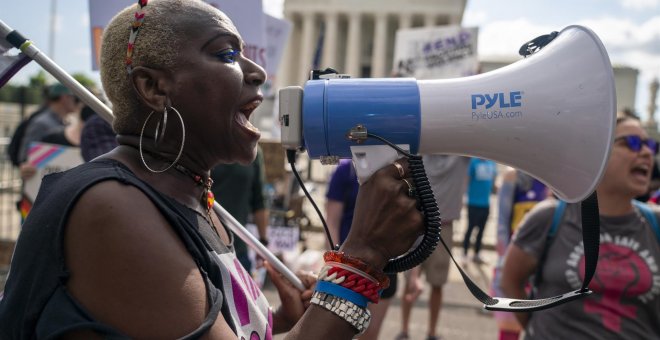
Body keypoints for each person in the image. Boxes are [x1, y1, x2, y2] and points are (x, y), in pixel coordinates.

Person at [0, 1, 425, 338]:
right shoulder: (111, 208)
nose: (257, 73)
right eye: (226, 54)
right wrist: (362, 256)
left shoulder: (189, 196)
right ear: (153, 87)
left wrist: (275, 320)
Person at [501, 115, 660, 339]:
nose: (646, 152)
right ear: (597, 153)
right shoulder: (549, 216)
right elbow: (509, 282)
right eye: (632, 143)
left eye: (650, 145)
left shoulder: (656, 224)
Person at [398, 154, 470, 340]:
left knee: (437, 284)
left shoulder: (460, 155)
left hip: (443, 226)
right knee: (410, 282)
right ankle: (404, 330)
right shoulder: (423, 152)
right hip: (418, 221)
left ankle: (431, 332)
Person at [325, 159, 398, 340]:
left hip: (386, 268)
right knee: (339, 332)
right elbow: (332, 222)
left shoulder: (397, 169)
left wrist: (414, 274)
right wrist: (334, 264)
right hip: (348, 267)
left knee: (370, 335)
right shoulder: (345, 170)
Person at [491, 168, 548, 340]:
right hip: (516, 261)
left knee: (543, 327)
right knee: (510, 325)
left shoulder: (554, 180)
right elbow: (502, 223)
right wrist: (504, 261)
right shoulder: (511, 178)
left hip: (545, 263)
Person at [210, 146, 269, 273]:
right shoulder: (205, 144)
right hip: (207, 247)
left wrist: (263, 242)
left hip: (238, 251)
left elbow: (259, 201)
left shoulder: (253, 151)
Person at [462, 157, 497, 265]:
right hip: (473, 202)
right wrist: (463, 197)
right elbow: (467, 179)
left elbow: (493, 181)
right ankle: (464, 254)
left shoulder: (492, 163)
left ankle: (477, 254)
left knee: (481, 230)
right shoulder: (473, 162)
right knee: (470, 228)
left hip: (486, 203)